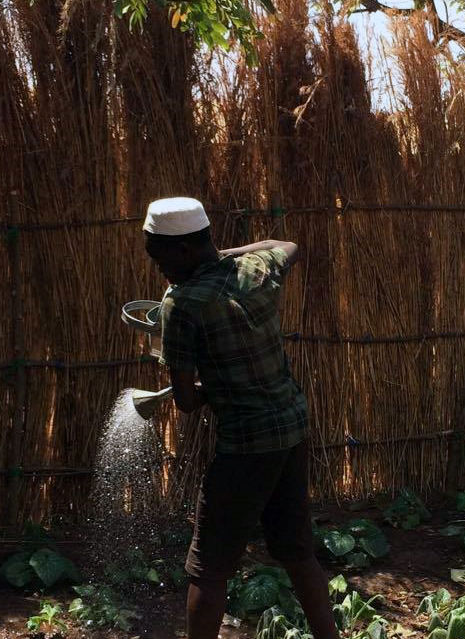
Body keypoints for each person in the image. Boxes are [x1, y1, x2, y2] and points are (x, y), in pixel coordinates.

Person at [142, 197, 339, 639]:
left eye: (159, 257)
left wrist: (214, 389)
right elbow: (285, 243)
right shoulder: (257, 270)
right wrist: (225, 255)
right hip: (290, 428)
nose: (159, 269)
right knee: (297, 551)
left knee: (207, 568)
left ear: (184, 250)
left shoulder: (181, 304)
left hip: (246, 445)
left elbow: (187, 401)